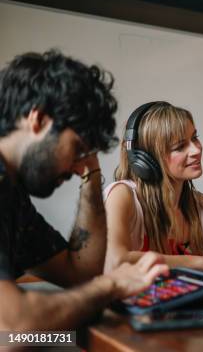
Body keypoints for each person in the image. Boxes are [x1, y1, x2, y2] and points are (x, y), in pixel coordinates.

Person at [0, 50, 168, 330]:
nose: (77, 167)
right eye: (78, 148)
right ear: (38, 120)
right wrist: (111, 285)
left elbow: (79, 273)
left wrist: (92, 173)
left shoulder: (12, 194)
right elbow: (14, 328)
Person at [104, 101, 203, 274]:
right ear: (146, 160)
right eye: (179, 146)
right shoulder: (123, 195)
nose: (196, 150)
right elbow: (114, 262)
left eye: (194, 137)